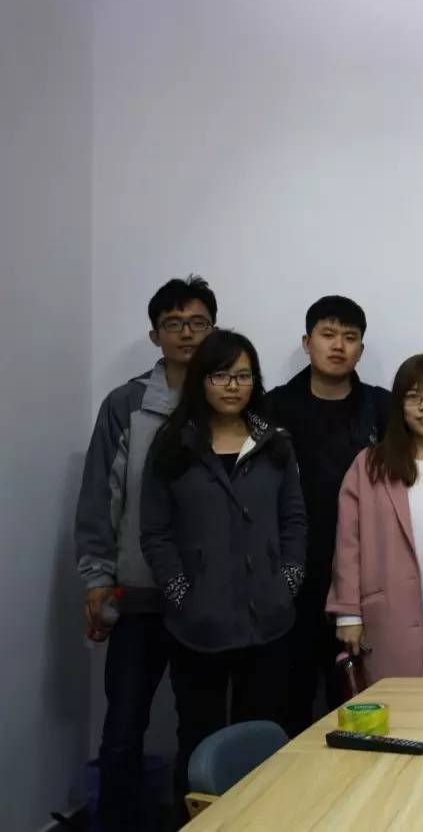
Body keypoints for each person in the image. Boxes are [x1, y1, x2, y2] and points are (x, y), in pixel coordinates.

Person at [140, 330, 306, 812]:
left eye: (243, 376)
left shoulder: (274, 443)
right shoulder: (174, 445)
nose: (233, 386)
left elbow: (295, 520)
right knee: (198, 740)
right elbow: (155, 532)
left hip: (268, 622)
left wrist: (287, 582)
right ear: (201, 381)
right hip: (199, 625)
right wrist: (181, 593)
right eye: (220, 376)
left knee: (264, 743)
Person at [74, 276, 217, 832]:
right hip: (137, 595)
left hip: (205, 600)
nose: (187, 333)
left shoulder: (230, 399)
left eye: (198, 322)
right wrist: (96, 578)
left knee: (201, 727)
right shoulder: (127, 404)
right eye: (174, 324)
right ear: (155, 334)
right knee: (124, 725)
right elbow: (99, 496)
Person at [267, 295, 390, 736]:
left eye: (350, 337)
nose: (338, 345)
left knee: (360, 704)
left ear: (361, 349)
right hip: (292, 580)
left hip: (363, 579)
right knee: (288, 703)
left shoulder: (383, 409)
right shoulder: (272, 409)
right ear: (307, 342)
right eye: (328, 334)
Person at [327, 355, 423, 682]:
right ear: (399, 405)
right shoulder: (369, 465)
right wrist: (348, 613)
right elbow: (348, 544)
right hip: (385, 616)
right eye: (413, 397)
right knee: (392, 706)